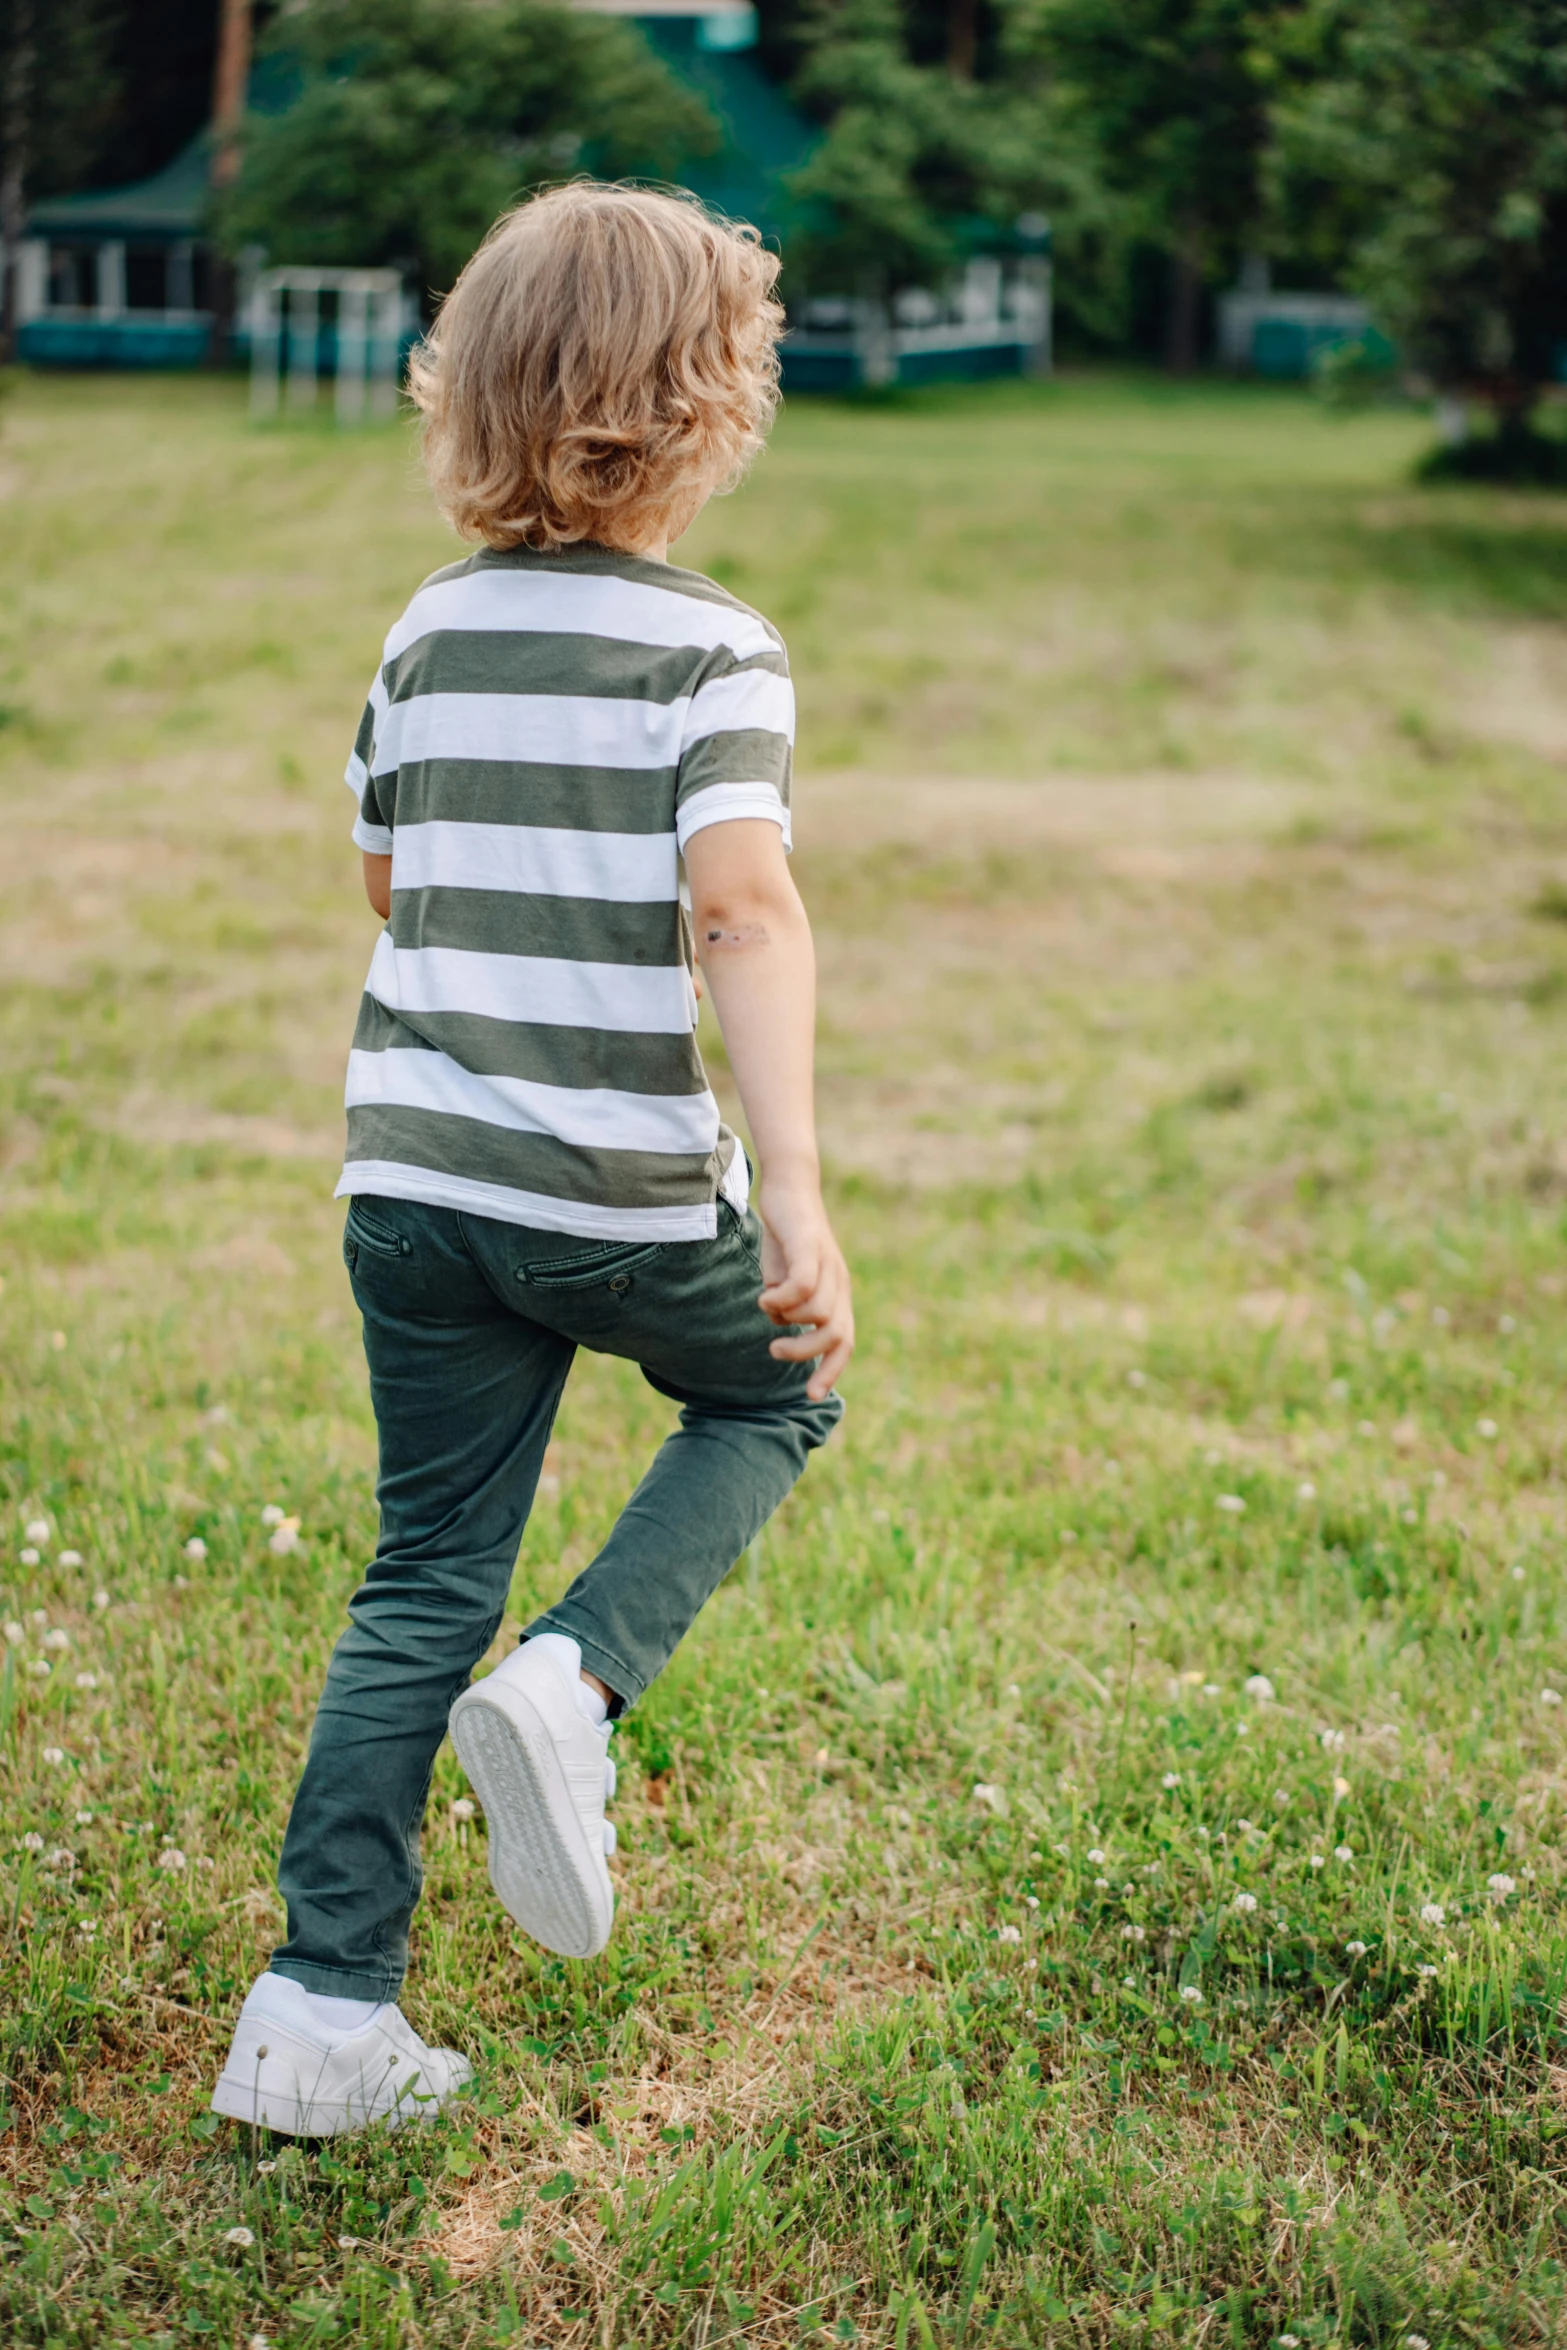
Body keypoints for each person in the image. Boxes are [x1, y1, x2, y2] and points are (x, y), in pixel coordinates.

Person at [210, 183, 852, 2137]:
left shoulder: (425, 631)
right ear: (711, 399)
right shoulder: (714, 654)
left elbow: (390, 878)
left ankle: (320, 2008)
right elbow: (742, 913)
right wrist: (799, 1186)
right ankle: (574, 1683)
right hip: (613, 1190)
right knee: (779, 1385)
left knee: (420, 1570)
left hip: (411, 1181)